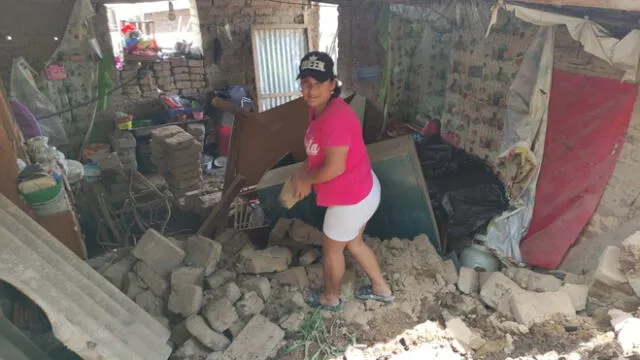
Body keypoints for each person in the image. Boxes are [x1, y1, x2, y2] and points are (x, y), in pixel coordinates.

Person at [290, 51, 394, 311]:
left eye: (317, 83)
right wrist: (305, 169)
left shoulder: (337, 118)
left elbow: (335, 167)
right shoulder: (319, 110)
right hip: (363, 188)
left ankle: (330, 297)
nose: (310, 90)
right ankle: (382, 289)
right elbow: (319, 152)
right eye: (305, 83)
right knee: (355, 243)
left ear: (332, 84)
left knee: (332, 250)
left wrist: (307, 181)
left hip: (351, 199)